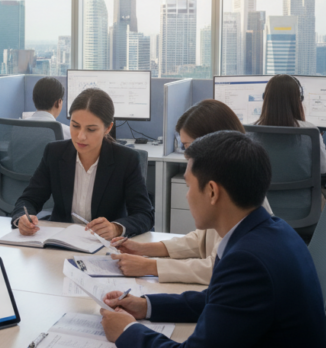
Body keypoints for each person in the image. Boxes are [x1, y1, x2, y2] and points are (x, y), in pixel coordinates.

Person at [99, 131, 326, 348]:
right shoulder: (269, 230)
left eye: (189, 186)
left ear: (212, 191)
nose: (187, 196)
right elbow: (218, 299)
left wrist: (128, 332)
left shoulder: (249, 260)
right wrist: (145, 305)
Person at [110, 99, 273, 285]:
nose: (187, 158)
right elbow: (202, 240)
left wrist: (150, 266)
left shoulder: (238, 198)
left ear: (214, 143)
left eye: (188, 148)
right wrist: (145, 249)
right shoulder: (230, 185)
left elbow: (218, 269)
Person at [11, 88, 153, 240]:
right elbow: (29, 199)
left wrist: (116, 228)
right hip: (62, 242)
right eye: (75, 126)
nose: (81, 136)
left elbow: (144, 214)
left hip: (104, 246)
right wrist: (22, 218)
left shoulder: (126, 160)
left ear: (108, 128)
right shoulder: (54, 153)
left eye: (91, 129)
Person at [255, 74, 326, 174]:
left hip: (263, 190)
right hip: (301, 190)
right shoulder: (310, 132)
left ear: (266, 98)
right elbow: (323, 168)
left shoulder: (250, 132)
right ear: (299, 100)